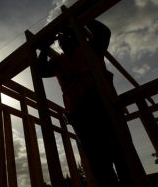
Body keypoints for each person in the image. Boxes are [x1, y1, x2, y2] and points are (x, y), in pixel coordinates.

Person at [38, 20, 132, 186]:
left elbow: (104, 32)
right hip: (80, 116)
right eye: (61, 40)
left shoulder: (91, 48)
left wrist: (78, 20)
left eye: (67, 37)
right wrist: (45, 47)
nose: (64, 41)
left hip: (103, 108)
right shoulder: (59, 62)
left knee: (123, 156)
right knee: (100, 166)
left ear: (75, 36)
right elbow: (40, 70)